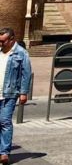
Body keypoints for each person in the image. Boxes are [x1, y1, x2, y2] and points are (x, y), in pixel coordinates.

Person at [0, 28, 31, 165]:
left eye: (2, 41)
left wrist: (24, 92)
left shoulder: (21, 53)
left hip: (9, 93)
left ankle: (4, 153)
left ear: (12, 39)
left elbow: (26, 74)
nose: (0, 43)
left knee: (5, 121)